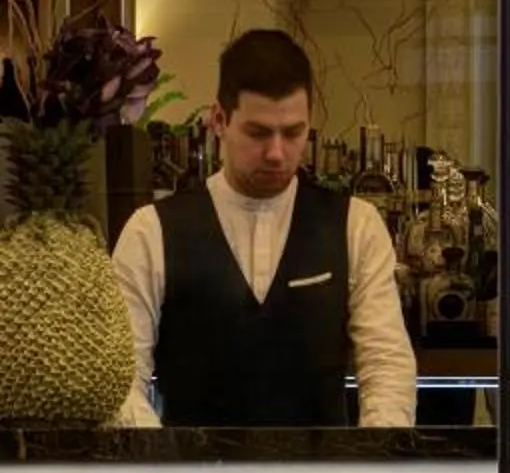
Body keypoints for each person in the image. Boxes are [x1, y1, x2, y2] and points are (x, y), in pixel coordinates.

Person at [113, 29, 418, 428]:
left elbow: (387, 367)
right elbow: (119, 380)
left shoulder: (355, 226)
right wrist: (161, 467)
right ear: (218, 120)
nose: (276, 153)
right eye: (258, 133)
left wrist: (371, 468)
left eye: (293, 133)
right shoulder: (150, 231)